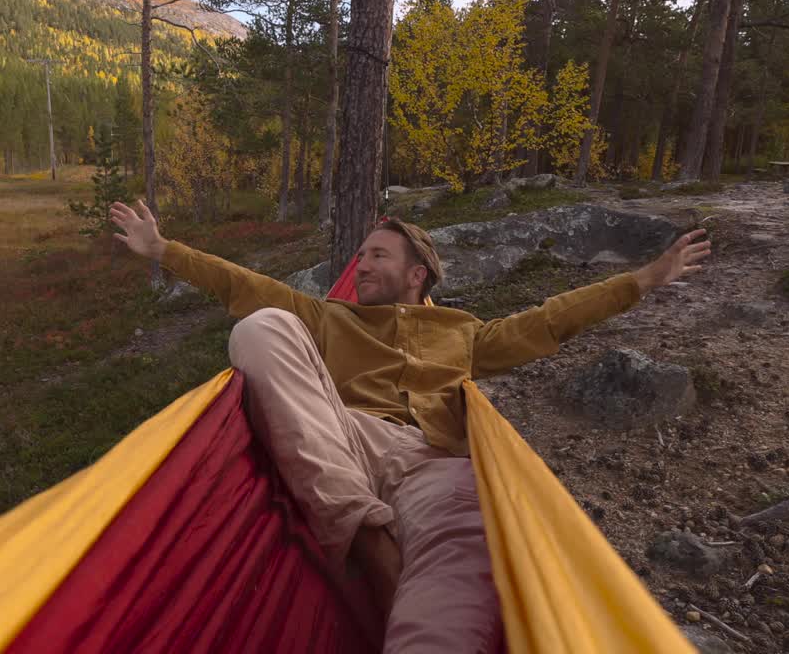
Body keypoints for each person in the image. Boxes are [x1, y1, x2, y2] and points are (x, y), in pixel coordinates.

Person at [109, 200, 711, 653]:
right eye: (360, 255)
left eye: (377, 255)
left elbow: (549, 321)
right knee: (262, 325)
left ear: (417, 273)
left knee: (471, 531)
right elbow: (242, 286)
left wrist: (645, 279)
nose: (360, 265)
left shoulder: (464, 333)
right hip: (339, 435)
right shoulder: (329, 317)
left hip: (431, 459)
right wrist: (164, 250)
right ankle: (364, 531)